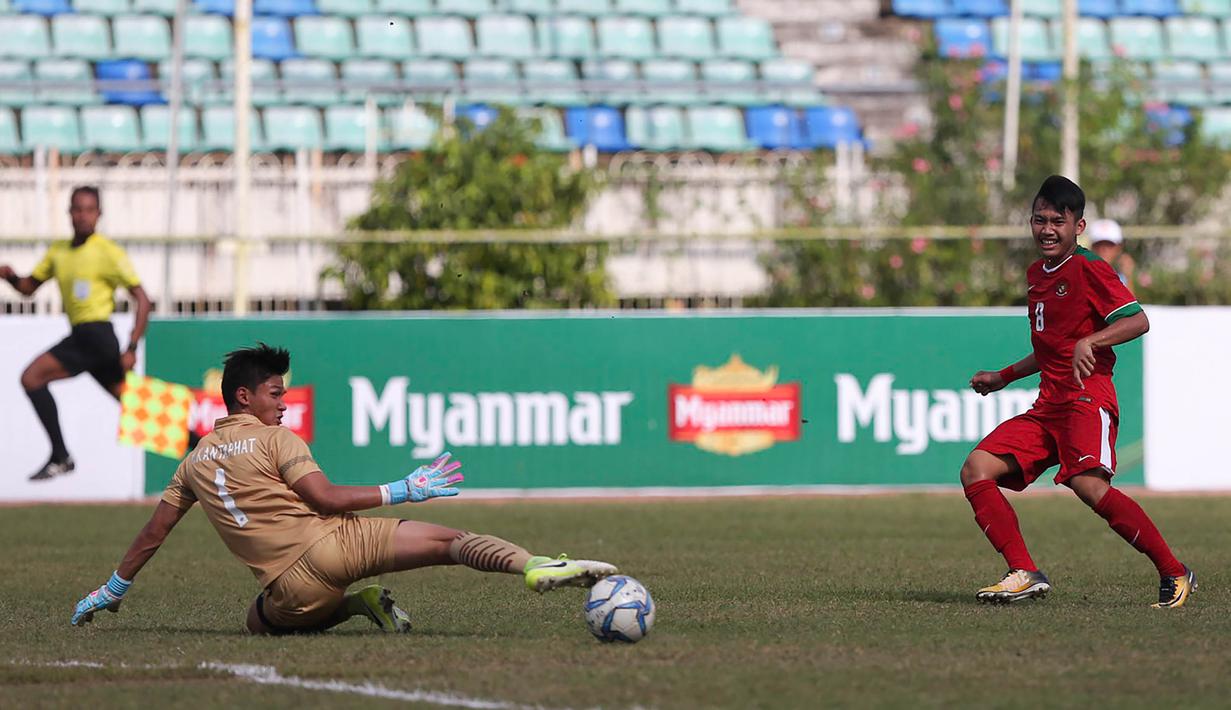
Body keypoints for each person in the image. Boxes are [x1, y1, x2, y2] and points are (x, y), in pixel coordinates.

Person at [70, 343, 618, 634]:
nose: (283, 403)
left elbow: (155, 532)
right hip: (336, 546)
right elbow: (325, 500)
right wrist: (403, 488)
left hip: (290, 594)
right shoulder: (276, 439)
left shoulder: (192, 462)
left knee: (256, 622)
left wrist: (112, 590)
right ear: (243, 397)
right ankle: (534, 566)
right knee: (452, 543)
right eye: (275, 393)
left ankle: (357, 606)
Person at [960, 175, 1194, 609]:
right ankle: (1023, 572)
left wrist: (1092, 341)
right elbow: (1050, 347)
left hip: (1087, 398)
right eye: (1040, 220)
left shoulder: (1089, 267)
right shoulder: (1037, 274)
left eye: (1058, 221)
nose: (1047, 229)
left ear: (1078, 226)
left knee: (1089, 485)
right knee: (977, 469)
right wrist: (1004, 376)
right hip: (1049, 405)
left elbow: (1138, 320)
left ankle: (1174, 571)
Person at [0, 186, 152, 481]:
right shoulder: (59, 252)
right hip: (89, 342)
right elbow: (29, 288)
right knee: (135, 405)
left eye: (89, 210)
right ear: (69, 213)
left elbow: (143, 299)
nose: (83, 216)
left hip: (96, 335)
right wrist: (12, 277)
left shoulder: (108, 252)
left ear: (99, 214)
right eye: (78, 209)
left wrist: (133, 346)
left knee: (31, 378)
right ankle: (202, 444)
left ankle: (61, 456)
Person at [1087, 218, 1135, 289]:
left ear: (1118, 248)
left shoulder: (1122, 279)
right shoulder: (1082, 276)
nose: (1103, 249)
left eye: (1109, 244)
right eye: (1099, 244)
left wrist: (1128, 277)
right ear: (1092, 247)